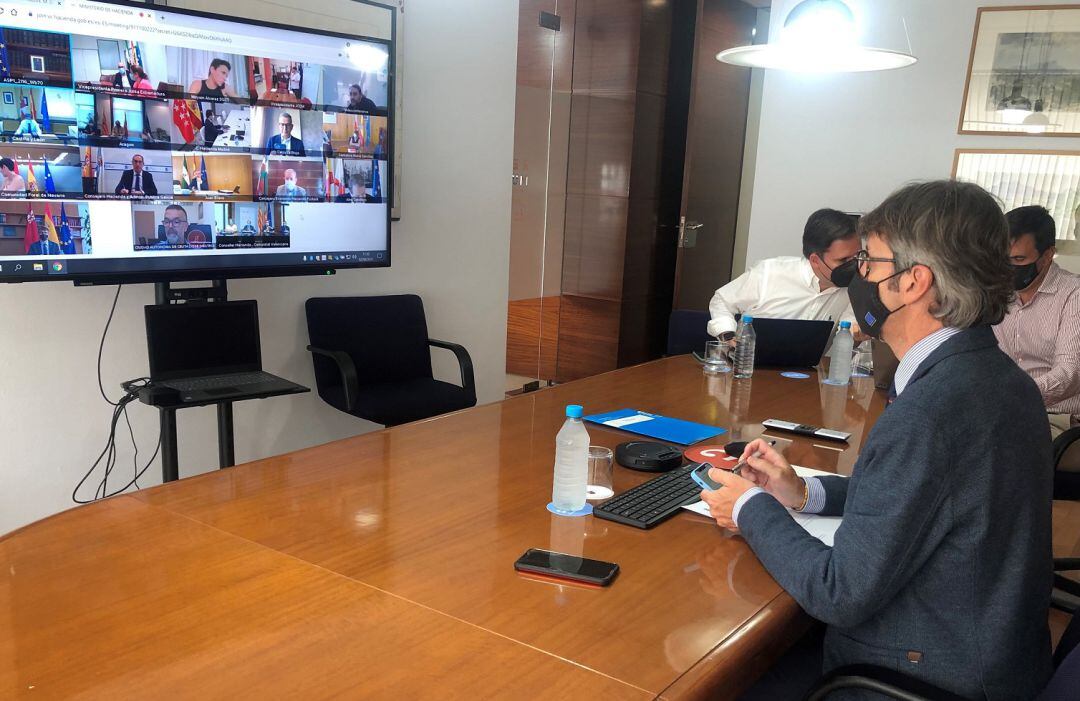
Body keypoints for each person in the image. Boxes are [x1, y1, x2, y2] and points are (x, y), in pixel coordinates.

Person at [700, 180, 1053, 699]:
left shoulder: (931, 412)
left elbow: (838, 592)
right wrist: (803, 492)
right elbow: (930, 494)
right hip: (992, 647)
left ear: (912, 283)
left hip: (919, 671)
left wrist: (751, 507)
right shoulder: (997, 377)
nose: (858, 275)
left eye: (868, 260)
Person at [708, 208, 862, 343]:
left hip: (808, 371)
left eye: (858, 256)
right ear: (815, 260)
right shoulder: (769, 273)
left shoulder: (856, 288)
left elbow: (849, 331)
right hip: (750, 365)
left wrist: (859, 333)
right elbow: (722, 301)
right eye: (843, 260)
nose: (854, 265)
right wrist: (728, 335)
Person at [994, 205, 1080, 436]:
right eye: (1003, 259)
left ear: (1048, 254)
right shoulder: (997, 292)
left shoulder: (1073, 294)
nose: (1009, 268)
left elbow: (1069, 373)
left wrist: (1013, 394)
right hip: (1001, 408)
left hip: (1055, 417)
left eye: (1019, 259)